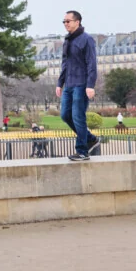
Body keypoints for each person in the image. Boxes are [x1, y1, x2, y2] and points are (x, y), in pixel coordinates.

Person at [57, 10, 101, 162]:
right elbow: (65, 64)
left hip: (81, 84)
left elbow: (92, 64)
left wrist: (90, 85)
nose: (65, 24)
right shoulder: (67, 41)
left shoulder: (86, 39)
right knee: (65, 115)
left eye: (68, 21)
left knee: (78, 117)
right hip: (69, 84)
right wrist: (59, 83)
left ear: (77, 22)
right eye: (64, 21)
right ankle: (90, 138)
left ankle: (82, 151)